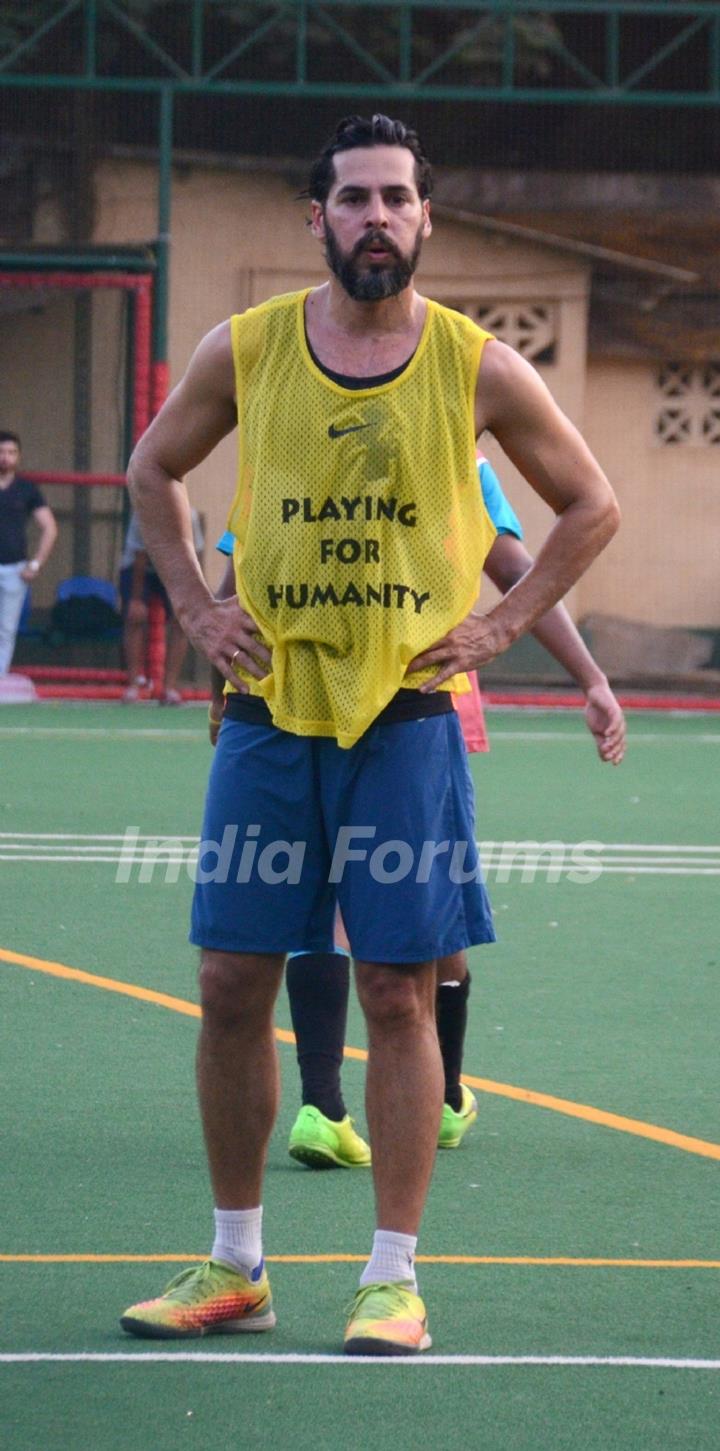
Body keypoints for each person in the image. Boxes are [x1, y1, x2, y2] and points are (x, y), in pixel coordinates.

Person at [120, 114, 620, 1356]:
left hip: (404, 716)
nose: (378, 217)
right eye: (354, 198)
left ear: (427, 217)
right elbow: (151, 470)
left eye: (398, 197)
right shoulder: (245, 349)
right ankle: (238, 1265)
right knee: (232, 981)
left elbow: (591, 505)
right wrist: (190, 601)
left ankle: (391, 1277)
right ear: (318, 218)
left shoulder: (477, 364)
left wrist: (502, 625)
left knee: (399, 989)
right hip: (267, 714)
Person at [209, 455, 626, 1170]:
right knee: (423, 904)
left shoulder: (294, 426)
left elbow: (238, 570)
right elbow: (520, 574)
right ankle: (440, 1092)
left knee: (320, 894)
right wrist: (588, 675)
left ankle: (324, 1104)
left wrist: (223, 682)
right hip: (413, 698)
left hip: (291, 696)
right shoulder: (459, 454)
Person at [119, 507, 204, 703]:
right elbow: (139, 557)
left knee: (181, 620)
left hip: (175, 568)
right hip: (139, 568)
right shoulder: (143, 514)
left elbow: (195, 557)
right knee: (135, 617)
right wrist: (137, 600)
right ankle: (133, 685)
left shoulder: (188, 516)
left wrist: (194, 594)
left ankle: (169, 687)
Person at [0, 430, 57, 679]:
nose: (5, 458)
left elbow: (50, 528)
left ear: (18, 456)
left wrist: (35, 564)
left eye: (11, 452)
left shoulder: (27, 489)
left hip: (15, 569)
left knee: (6, 629)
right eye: (1, 452)